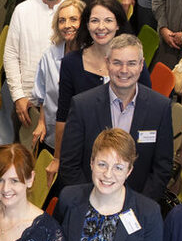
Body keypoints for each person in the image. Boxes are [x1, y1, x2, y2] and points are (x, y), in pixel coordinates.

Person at [58, 37, 173, 202]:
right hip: (90, 202)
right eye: (117, 63)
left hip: (138, 205)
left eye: (131, 63)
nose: (124, 70)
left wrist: (138, 205)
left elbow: (162, 168)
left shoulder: (160, 108)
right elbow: (69, 165)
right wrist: (92, 203)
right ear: (107, 63)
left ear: (141, 65)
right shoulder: (83, 105)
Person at [5, 0, 74, 144]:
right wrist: (18, 97)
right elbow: (10, 55)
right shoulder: (22, 10)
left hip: (64, 105)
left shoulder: (76, 13)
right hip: (27, 104)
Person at [53, 0, 128, 153]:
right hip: (82, 148)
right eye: (94, 21)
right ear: (87, 24)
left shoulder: (132, 64)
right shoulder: (71, 63)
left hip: (124, 151)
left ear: (118, 25)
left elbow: (145, 109)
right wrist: (58, 157)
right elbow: (63, 116)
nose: (101, 27)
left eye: (108, 20)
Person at [30, 0, 86, 151]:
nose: (67, 25)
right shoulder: (49, 56)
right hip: (52, 134)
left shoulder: (92, 57)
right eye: (62, 21)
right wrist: (41, 122)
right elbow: (43, 95)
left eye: (73, 19)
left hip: (82, 137)